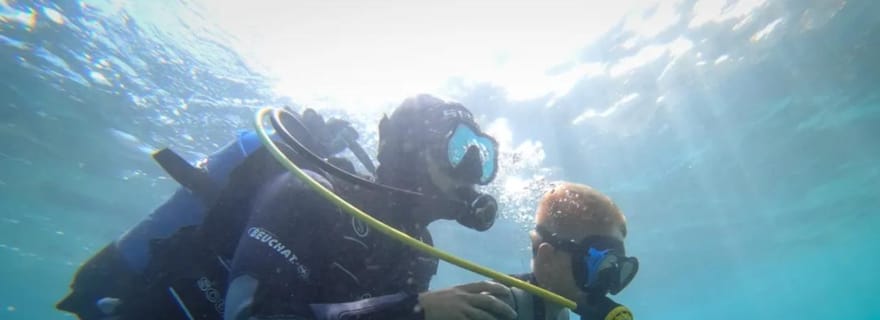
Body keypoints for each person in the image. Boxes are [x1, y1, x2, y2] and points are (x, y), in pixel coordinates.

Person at [56, 94, 519, 320]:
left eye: (484, 156)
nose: (472, 170)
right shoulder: (309, 195)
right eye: (461, 148)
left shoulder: (418, 252)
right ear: (407, 148)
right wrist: (414, 311)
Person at [486, 182, 639, 320]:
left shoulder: (558, 310)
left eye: (615, 270)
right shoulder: (498, 306)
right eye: (598, 266)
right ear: (546, 260)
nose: (606, 285)